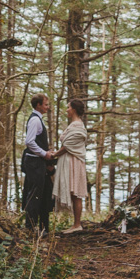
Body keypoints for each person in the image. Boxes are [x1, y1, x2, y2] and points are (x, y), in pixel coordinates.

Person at [20, 93, 57, 232]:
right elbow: (29, 142)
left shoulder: (38, 120)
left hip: (38, 162)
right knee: (34, 194)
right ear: (38, 105)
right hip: (34, 163)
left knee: (44, 193)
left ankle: (43, 228)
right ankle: (29, 228)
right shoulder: (35, 120)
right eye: (46, 104)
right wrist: (44, 153)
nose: (48, 107)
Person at [52, 98, 89, 233]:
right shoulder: (73, 124)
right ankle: (75, 224)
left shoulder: (77, 126)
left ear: (73, 109)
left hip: (74, 161)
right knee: (75, 193)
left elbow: (67, 146)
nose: (67, 110)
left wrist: (54, 154)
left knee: (76, 193)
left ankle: (77, 224)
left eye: (68, 107)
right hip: (71, 161)